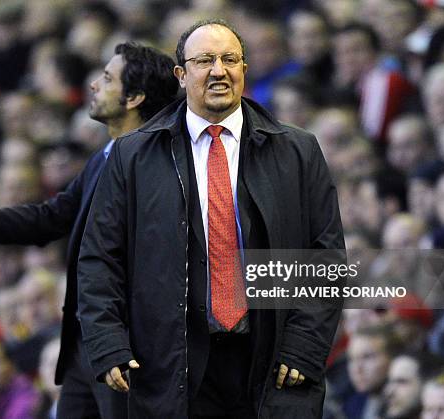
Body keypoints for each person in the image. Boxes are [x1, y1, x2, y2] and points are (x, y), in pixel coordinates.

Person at [77, 19, 344, 418]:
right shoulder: (133, 156)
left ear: (244, 71)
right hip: (168, 365)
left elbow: (326, 257)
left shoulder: (298, 150)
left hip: (272, 363)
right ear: (181, 75)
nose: (219, 70)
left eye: (229, 59)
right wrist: (107, 342)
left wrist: (304, 345)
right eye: (205, 60)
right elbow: (100, 257)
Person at [0, 43, 179, 419]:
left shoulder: (158, 168)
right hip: (83, 346)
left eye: (107, 79)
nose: (93, 85)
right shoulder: (104, 156)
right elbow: (52, 217)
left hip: (127, 350)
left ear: (134, 97)